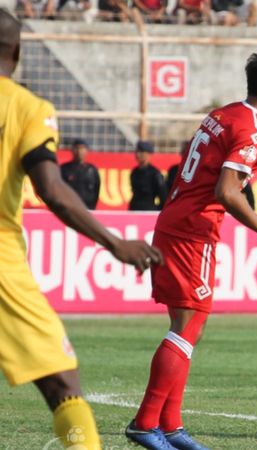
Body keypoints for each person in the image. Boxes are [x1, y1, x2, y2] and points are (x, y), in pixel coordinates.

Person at [0, 10, 162, 450]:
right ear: (16, 50)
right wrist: (114, 242)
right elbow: (52, 190)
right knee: (63, 387)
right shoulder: (25, 107)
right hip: (1, 267)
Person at [126, 52, 257, 450]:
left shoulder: (223, 114)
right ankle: (145, 422)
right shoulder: (253, 131)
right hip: (193, 232)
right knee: (188, 328)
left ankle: (170, 426)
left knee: (185, 327)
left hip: (173, 221)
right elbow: (226, 192)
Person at [60, 138, 100, 210]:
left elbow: (96, 190)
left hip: (88, 208)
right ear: (72, 150)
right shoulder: (64, 168)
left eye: (82, 148)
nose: (79, 151)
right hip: (69, 208)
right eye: (76, 148)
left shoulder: (92, 170)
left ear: (86, 151)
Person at [129, 140, 168, 211]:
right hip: (134, 208)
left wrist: (157, 210)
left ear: (148, 154)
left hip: (148, 209)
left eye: (141, 152)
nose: (138, 154)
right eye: (137, 151)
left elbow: (163, 195)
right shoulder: (135, 172)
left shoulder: (155, 173)